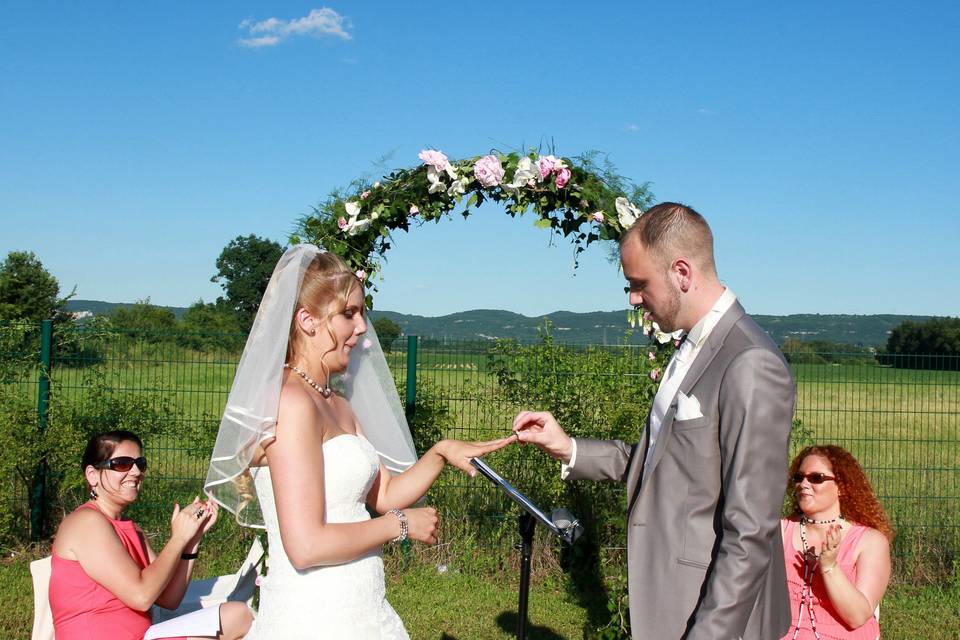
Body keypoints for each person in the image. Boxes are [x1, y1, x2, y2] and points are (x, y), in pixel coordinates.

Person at [513, 202, 797, 639]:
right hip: (670, 601)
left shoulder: (750, 362)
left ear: (682, 272)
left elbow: (750, 530)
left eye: (639, 284)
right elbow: (659, 463)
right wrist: (567, 447)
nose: (632, 298)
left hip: (714, 615)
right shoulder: (691, 347)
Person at [204, 245, 512, 639]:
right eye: (349, 314)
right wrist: (398, 526)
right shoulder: (292, 402)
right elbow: (306, 544)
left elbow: (384, 494)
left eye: (361, 313)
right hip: (316, 616)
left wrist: (440, 452)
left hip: (361, 608)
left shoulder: (338, 403)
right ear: (307, 321)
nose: (363, 327)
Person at [49, 430, 252, 640]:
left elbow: (169, 598)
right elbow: (141, 596)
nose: (136, 472)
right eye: (122, 464)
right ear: (92, 475)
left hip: (142, 635)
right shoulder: (86, 523)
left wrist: (191, 541)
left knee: (237, 615)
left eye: (140, 463)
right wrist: (178, 538)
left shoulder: (132, 529)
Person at [781, 445, 892, 639]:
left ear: (841, 487)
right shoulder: (780, 531)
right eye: (799, 477)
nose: (803, 484)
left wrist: (830, 567)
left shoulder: (869, 541)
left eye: (816, 478)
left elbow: (857, 616)